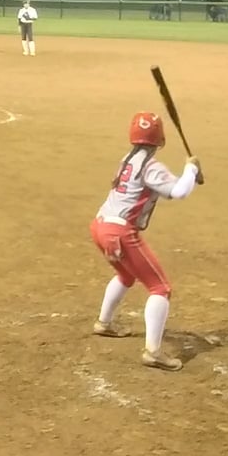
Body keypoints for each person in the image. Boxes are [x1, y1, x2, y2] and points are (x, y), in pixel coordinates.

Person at [90, 110, 201, 371]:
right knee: (160, 288)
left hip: (99, 226)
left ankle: (104, 323)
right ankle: (153, 352)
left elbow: (177, 186)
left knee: (126, 275)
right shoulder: (151, 167)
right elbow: (179, 191)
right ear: (160, 139)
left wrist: (190, 175)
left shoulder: (127, 160)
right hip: (120, 232)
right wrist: (191, 168)